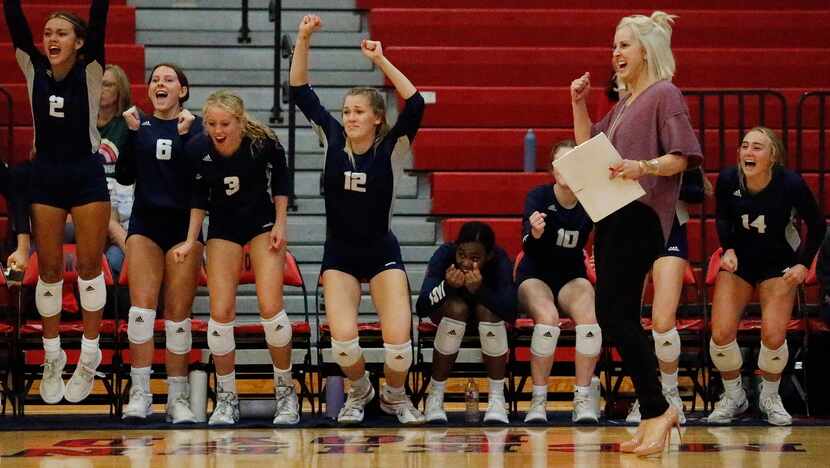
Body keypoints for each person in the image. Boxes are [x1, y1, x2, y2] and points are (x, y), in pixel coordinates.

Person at [570, 11, 702, 456]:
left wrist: (641, 167)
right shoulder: (623, 104)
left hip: (640, 215)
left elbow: (681, 158)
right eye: (614, 45)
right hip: (611, 215)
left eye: (624, 44)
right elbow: (589, 147)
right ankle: (653, 413)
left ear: (646, 50)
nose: (615, 53)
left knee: (615, 314)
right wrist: (578, 103)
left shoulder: (665, 94)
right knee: (615, 316)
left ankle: (659, 409)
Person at [289, 14, 425, 425]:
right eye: (346, 111)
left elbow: (415, 103)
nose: (349, 117)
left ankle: (395, 398)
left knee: (400, 346)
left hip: (381, 250)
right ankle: (360, 389)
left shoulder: (392, 150)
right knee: (344, 344)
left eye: (358, 112)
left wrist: (381, 61)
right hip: (341, 253)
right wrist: (303, 37)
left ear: (376, 118)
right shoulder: (331, 137)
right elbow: (299, 90)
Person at [4, 0, 112, 404]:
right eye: (48, 33)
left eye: (61, 33)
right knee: (48, 269)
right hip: (46, 175)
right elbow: (15, 27)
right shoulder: (33, 69)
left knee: (87, 267)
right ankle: (53, 358)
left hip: (86, 174)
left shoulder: (91, 70)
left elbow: (99, 18)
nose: (51, 38)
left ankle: (88, 354)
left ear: (79, 42)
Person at [173, 90, 293, 426]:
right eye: (211, 123)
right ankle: (227, 398)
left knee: (271, 308)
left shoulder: (262, 142)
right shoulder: (198, 147)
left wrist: (281, 225)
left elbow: (282, 182)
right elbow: (198, 196)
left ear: (240, 122)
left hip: (261, 223)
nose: (217, 129)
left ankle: (286, 393)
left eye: (225, 123)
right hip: (223, 227)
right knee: (220, 312)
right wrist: (189, 239)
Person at [707, 127, 825, 426]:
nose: (749, 152)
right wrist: (728, 248)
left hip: (778, 264)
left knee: (773, 334)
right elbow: (722, 216)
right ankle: (734, 395)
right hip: (741, 262)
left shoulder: (791, 184)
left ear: (773, 156)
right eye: (745, 146)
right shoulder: (728, 179)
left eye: (758, 147)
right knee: (720, 333)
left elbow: (817, 225)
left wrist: (802, 264)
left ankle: (770, 396)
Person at [116, 63, 204, 423]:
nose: (160, 84)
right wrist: (131, 135)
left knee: (178, 318)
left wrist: (188, 138)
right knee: (140, 313)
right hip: (146, 225)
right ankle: (140, 393)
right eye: (155, 80)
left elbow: (202, 177)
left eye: (169, 80)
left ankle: (178, 398)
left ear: (182, 90)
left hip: (184, 228)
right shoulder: (139, 125)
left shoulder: (197, 128)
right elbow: (123, 175)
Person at [516, 140, 602, 424]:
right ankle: (538, 401)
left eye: (573, 162)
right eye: (560, 163)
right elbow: (527, 246)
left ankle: (583, 398)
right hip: (535, 273)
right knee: (548, 318)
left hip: (570, 275)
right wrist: (536, 233)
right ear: (553, 170)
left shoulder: (591, 200)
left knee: (589, 318)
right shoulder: (538, 197)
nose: (567, 169)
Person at [626, 167, 711, 425]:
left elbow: (699, 192)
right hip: (628, 232)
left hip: (668, 230)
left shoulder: (675, 147)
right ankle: (647, 393)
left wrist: (659, 175)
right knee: (626, 321)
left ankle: (670, 393)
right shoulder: (621, 136)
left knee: (662, 321)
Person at [417, 221, 516, 424]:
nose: (465, 262)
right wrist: (447, 287)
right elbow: (422, 308)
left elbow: (511, 311)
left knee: (486, 309)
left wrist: (480, 290)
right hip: (450, 316)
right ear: (455, 248)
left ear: (488, 256)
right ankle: (435, 396)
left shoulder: (500, 260)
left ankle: (497, 399)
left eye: (475, 258)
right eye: (461, 254)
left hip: (486, 319)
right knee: (457, 308)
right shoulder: (444, 255)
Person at [98, 64, 133, 277]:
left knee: (113, 259)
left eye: (107, 84)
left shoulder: (129, 124)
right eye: (97, 84)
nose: (100, 89)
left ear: (120, 90)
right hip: (88, 202)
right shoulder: (80, 123)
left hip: (122, 199)